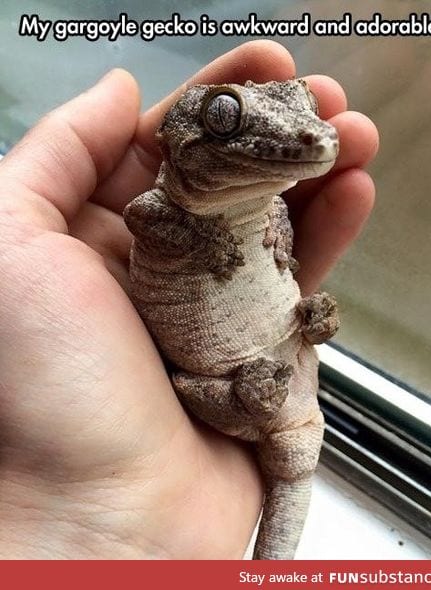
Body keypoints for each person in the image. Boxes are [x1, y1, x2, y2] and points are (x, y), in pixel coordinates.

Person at [0, 41, 378, 558]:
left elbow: (280, 211)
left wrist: (275, 231)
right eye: (226, 117)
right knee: (212, 389)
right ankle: (256, 397)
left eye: (303, 109)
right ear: (180, 145)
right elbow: (141, 216)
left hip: (289, 369)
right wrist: (204, 239)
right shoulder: (156, 209)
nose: (309, 133)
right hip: (237, 393)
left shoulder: (269, 205)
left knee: (291, 408)